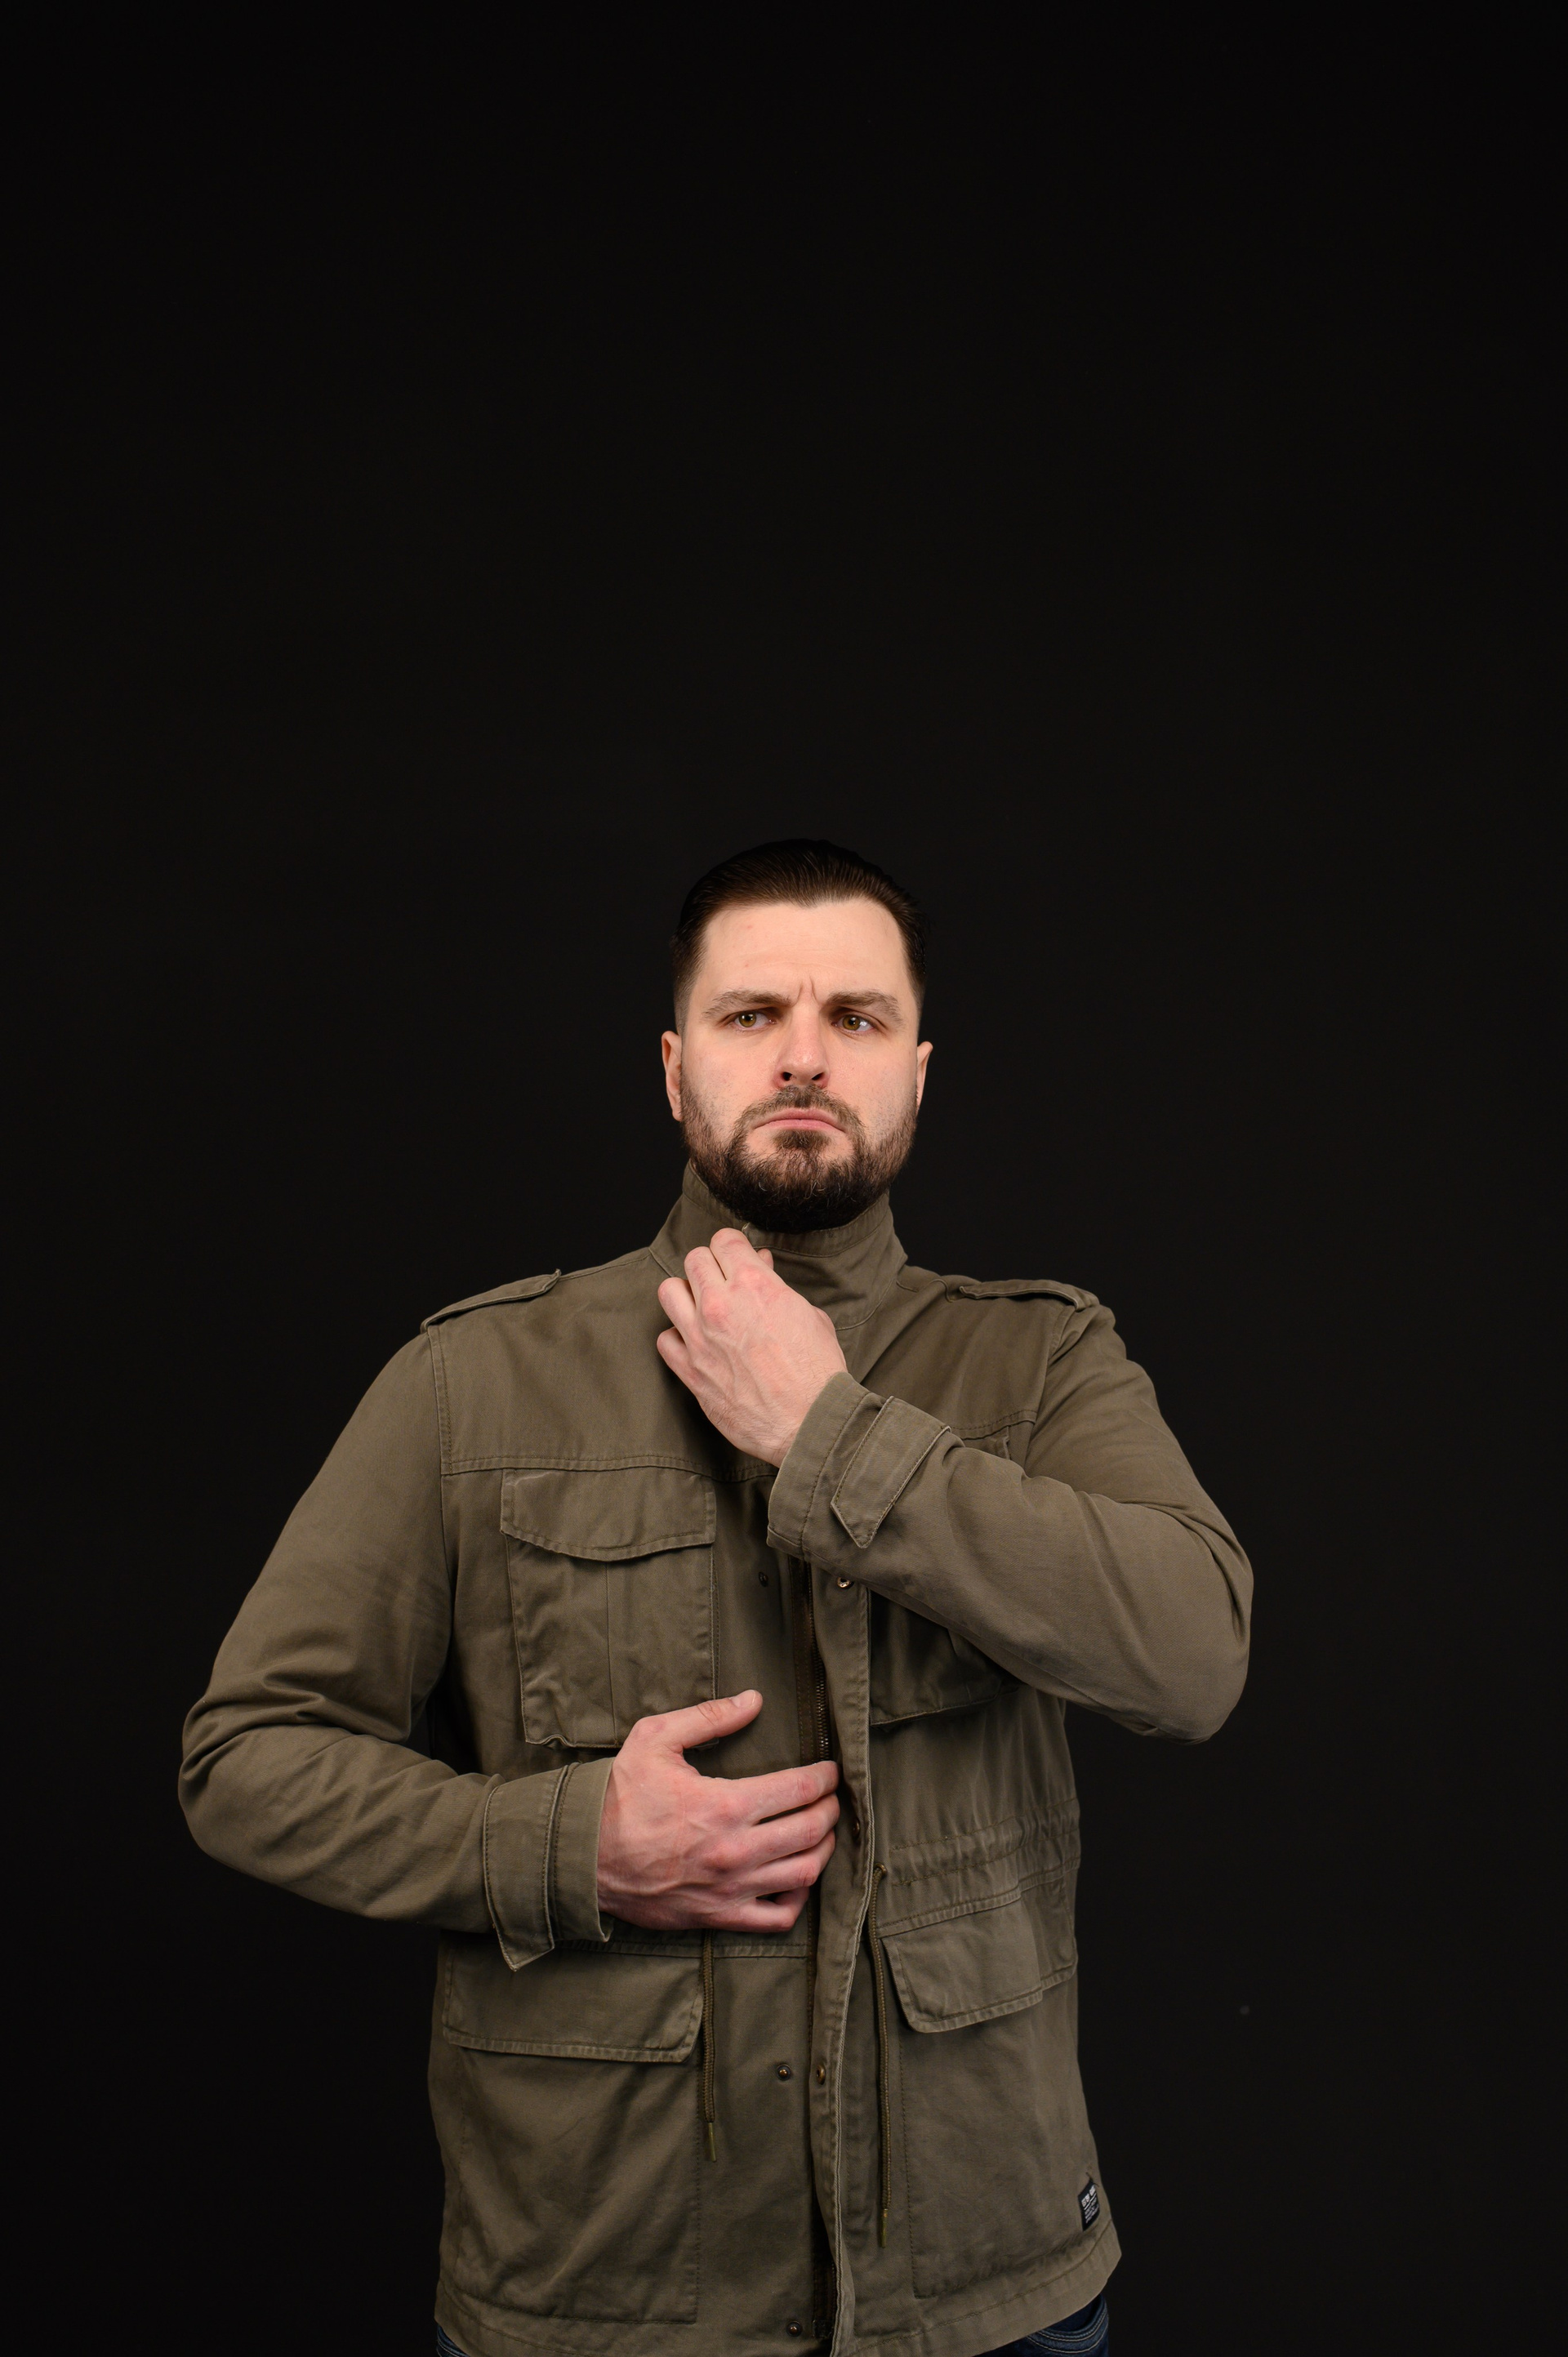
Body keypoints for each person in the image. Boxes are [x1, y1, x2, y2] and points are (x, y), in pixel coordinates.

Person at [181, 839, 1252, 2357]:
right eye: (753, 1015)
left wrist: (832, 1435)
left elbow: (1195, 1653)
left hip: (984, 2292)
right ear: (676, 1069)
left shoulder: (1042, 1364)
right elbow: (245, 1759)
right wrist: (571, 1844)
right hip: (601, 2296)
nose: (805, 1055)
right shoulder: (474, 1381)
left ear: (919, 1072)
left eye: (857, 1017)